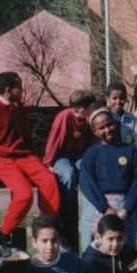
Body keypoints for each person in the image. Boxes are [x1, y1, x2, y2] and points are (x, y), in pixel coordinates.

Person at [0, 72, 60, 246]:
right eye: (19, 87)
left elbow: (27, 137)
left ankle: (50, 226)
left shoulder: (18, 108)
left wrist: (40, 163)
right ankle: (4, 233)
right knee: (24, 195)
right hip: (1, 158)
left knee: (49, 182)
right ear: (9, 90)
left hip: (25, 156)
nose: (22, 90)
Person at [80, 109, 137, 249]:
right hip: (99, 206)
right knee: (96, 247)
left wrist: (126, 210)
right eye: (101, 128)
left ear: (115, 124)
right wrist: (105, 208)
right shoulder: (92, 153)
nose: (107, 130)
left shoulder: (130, 151)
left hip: (125, 208)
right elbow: (86, 181)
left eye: (109, 124)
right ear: (95, 132)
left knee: (125, 247)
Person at [43, 90, 97, 247]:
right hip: (62, 156)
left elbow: (92, 143)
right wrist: (48, 163)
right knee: (68, 173)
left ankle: (92, 207)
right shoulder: (64, 117)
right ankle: (66, 213)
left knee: (88, 172)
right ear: (82, 109)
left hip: (79, 156)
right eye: (92, 107)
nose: (94, 110)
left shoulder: (89, 119)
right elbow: (54, 140)